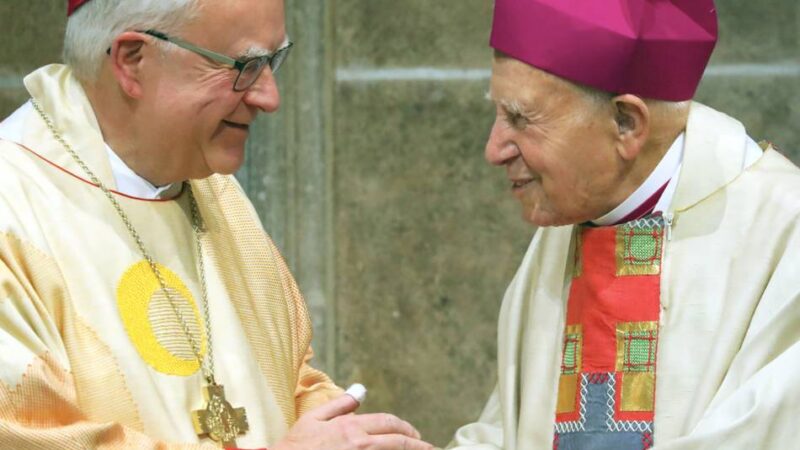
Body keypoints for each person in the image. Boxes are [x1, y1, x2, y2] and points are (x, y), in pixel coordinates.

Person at [0, 1, 433, 449]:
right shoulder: (12, 212)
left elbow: (288, 382)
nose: (270, 97)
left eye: (273, 62)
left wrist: (348, 433)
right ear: (133, 61)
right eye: (244, 66)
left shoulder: (215, 191)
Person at [448, 0, 800, 449]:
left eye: (520, 119)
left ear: (627, 124)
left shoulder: (786, 234)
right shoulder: (568, 219)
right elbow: (511, 430)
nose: (494, 149)